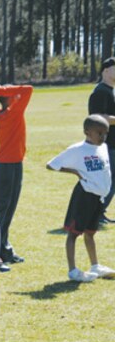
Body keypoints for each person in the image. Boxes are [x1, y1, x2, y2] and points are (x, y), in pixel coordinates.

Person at [46, 115, 114, 282]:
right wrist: (75, 172)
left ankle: (95, 266)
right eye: (99, 133)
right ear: (87, 132)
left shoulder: (103, 147)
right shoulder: (77, 149)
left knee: (90, 233)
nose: (103, 137)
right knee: (73, 234)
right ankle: (73, 271)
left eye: (105, 133)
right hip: (84, 197)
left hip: (98, 198)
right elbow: (51, 165)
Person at [0, 83, 33, 270]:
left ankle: (4, 250)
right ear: (10, 99)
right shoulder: (14, 112)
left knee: (5, 209)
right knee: (3, 211)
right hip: (9, 167)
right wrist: (1, 91)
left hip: (3, 166)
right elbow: (28, 89)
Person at [87, 57, 115, 221]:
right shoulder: (100, 92)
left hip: (111, 143)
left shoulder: (110, 90)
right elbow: (96, 117)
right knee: (108, 181)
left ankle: (99, 213)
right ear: (106, 71)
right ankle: (95, 214)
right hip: (106, 144)